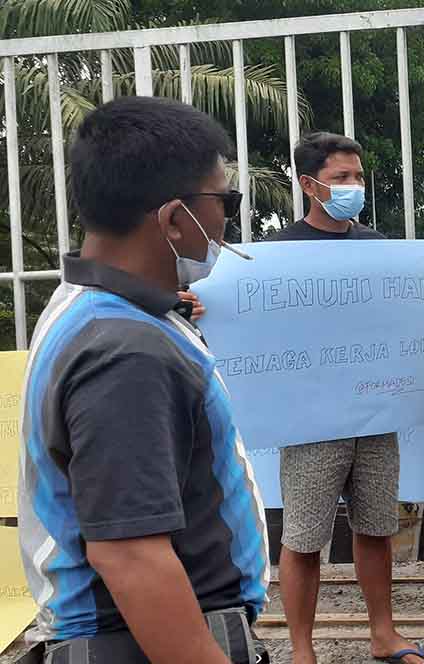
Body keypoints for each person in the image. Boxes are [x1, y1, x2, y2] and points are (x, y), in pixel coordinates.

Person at [17, 96, 267, 663]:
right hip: (143, 643)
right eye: (225, 199)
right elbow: (131, 555)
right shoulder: (124, 351)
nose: (229, 216)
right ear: (176, 218)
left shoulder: (93, 307)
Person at [269, 132, 424, 664]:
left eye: (357, 177)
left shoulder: (378, 246)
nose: (353, 187)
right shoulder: (275, 258)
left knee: (377, 528)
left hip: (376, 414)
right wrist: (207, 307)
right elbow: (251, 320)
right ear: (308, 184)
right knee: (303, 538)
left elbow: (407, 314)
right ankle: (301, 649)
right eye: (341, 178)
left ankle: (384, 635)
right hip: (311, 422)